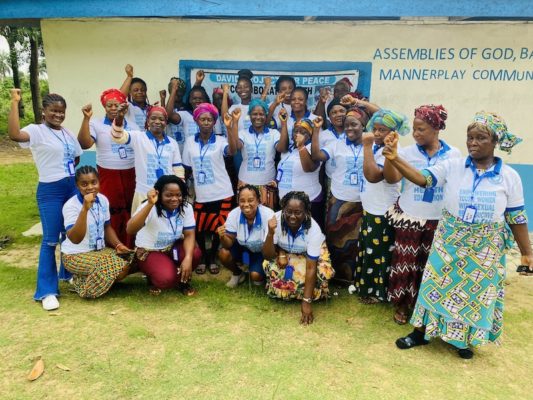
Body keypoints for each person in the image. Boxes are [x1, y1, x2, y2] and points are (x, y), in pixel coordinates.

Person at [382, 111, 533, 359]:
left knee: (473, 293)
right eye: (470, 137)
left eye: (480, 138)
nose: (473, 142)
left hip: (485, 246)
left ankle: (462, 340)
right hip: (449, 239)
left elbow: (516, 217)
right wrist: (395, 158)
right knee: (433, 285)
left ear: (495, 142)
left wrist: (527, 253)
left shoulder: (509, 177)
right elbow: (423, 179)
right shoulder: (453, 166)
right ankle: (420, 333)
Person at [383, 104, 462, 325]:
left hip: (437, 219)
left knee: (430, 264)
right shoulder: (406, 153)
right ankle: (401, 304)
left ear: (436, 129)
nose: (416, 134)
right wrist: (392, 157)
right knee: (405, 263)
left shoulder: (454, 155)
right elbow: (391, 179)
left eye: (421, 129)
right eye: (415, 129)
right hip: (410, 216)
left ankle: (425, 304)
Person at [8, 89, 83, 311]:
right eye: (54, 111)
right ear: (44, 112)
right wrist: (14, 103)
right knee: (50, 239)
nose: (58, 115)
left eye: (61, 112)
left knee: (68, 235)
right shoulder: (37, 131)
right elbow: (14, 135)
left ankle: (67, 273)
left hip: (71, 186)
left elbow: (76, 155)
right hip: (50, 189)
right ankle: (47, 291)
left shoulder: (67, 133)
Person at [355, 109, 410, 303]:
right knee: (369, 249)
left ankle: (376, 292)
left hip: (382, 211)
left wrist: (367, 146)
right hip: (372, 208)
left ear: (394, 133)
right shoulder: (380, 148)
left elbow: (373, 176)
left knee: (377, 254)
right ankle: (366, 286)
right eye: (375, 129)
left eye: (383, 130)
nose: (377, 133)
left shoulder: (393, 152)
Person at [262, 191, 334, 324]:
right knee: (275, 269)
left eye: (298, 212)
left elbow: (311, 267)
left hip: (308, 254)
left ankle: (307, 293)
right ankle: (298, 289)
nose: (292, 216)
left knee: (321, 273)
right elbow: (268, 256)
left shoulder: (314, 230)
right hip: (288, 251)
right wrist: (271, 234)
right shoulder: (274, 221)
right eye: (288, 211)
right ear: (283, 210)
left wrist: (306, 302)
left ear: (306, 212)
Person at [182, 103, 237, 275]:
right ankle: (204, 256)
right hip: (202, 193)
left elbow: (233, 150)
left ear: (214, 122)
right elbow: (187, 167)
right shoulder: (190, 142)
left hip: (222, 191)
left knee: (219, 228)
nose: (206, 122)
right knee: (199, 226)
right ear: (196, 121)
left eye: (210, 119)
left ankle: (211, 257)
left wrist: (229, 128)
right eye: (202, 119)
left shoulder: (221, 141)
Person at [61, 166, 132, 298]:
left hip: (98, 252)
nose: (90, 187)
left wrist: (118, 245)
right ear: (77, 185)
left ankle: (85, 277)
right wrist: (84, 210)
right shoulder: (71, 206)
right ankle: (84, 288)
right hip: (75, 255)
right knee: (119, 267)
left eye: (94, 182)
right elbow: (75, 238)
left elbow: (107, 227)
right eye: (84, 184)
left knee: (131, 259)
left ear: (99, 182)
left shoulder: (103, 200)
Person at [310, 112, 365, 282]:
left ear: (363, 125)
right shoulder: (337, 144)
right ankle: (334, 275)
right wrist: (316, 131)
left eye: (354, 124)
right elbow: (317, 156)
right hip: (338, 198)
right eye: (347, 124)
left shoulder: (371, 145)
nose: (349, 128)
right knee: (335, 237)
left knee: (356, 239)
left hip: (362, 201)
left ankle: (352, 276)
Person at [78, 90, 135, 247]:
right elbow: (85, 144)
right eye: (109, 105)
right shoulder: (95, 123)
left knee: (130, 209)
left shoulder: (133, 125)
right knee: (111, 210)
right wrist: (86, 118)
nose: (113, 108)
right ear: (104, 107)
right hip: (108, 173)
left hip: (131, 172)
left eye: (117, 105)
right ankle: (114, 246)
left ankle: (131, 247)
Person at [127, 175, 201, 295]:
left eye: (178, 195)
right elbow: (130, 230)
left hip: (172, 247)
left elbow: (189, 235)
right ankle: (155, 277)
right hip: (150, 251)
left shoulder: (186, 208)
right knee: (166, 279)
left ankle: (182, 282)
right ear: (159, 194)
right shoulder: (149, 207)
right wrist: (150, 204)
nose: (175, 199)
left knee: (195, 253)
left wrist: (188, 258)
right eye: (169, 195)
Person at [110, 103, 184, 214]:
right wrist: (120, 117)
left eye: (161, 119)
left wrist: (179, 190)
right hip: (143, 193)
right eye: (153, 118)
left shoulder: (172, 143)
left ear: (166, 122)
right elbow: (118, 136)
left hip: (166, 195)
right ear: (148, 121)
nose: (157, 122)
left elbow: (177, 168)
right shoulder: (138, 137)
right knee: (141, 228)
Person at [225, 98, 289, 207]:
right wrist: (235, 122)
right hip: (245, 182)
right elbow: (236, 147)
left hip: (267, 183)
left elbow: (282, 148)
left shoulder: (274, 133)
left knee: (267, 218)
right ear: (249, 115)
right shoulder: (243, 133)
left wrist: (283, 124)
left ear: (266, 115)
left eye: (261, 114)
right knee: (246, 215)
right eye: (254, 114)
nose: (258, 117)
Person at [217, 185, 275, 288]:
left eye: (251, 200)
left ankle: (258, 273)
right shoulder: (234, 214)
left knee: (255, 277)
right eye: (242, 201)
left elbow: (269, 253)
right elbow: (229, 243)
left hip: (261, 252)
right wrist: (222, 237)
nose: (246, 204)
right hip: (243, 249)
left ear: (258, 201)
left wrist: (270, 233)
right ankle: (238, 273)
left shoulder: (268, 215)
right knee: (223, 253)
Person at [275, 117, 324, 228]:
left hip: (309, 201)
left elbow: (309, 168)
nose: (298, 134)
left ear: (310, 134)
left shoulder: (313, 148)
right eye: (296, 131)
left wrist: (301, 146)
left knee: (308, 234)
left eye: (303, 132)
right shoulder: (288, 150)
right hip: (287, 202)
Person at [119, 64, 151, 131]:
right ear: (130, 92)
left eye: (142, 90)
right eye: (136, 90)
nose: (140, 92)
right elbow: (119, 97)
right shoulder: (128, 107)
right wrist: (129, 76)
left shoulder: (151, 108)